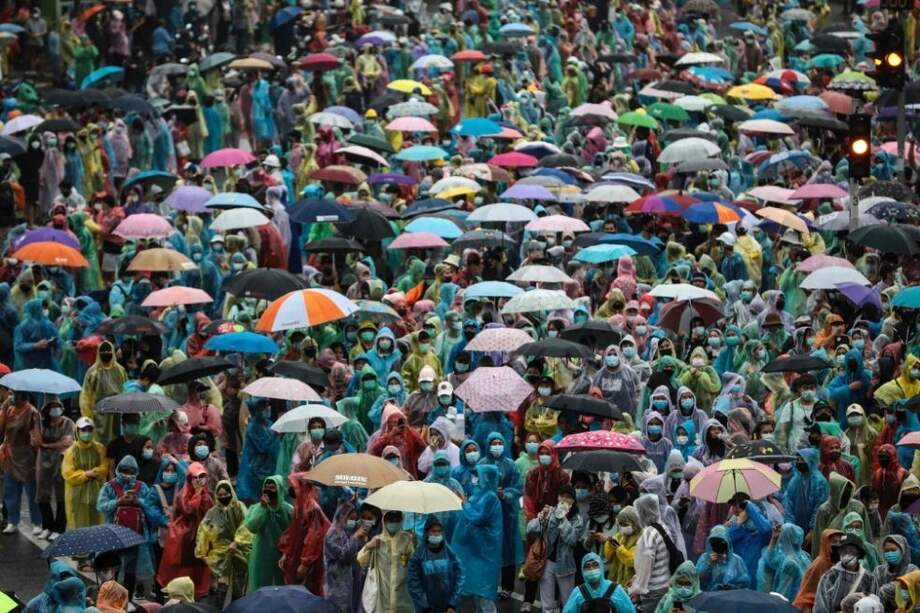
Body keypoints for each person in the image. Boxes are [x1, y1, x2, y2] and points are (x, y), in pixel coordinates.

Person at [156, 461, 213, 599]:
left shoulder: (207, 494)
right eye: (196, 477)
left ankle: (197, 595)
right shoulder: (183, 494)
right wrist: (197, 494)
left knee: (199, 569)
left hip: (201, 538)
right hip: (184, 539)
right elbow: (189, 510)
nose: (199, 481)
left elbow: (209, 511)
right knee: (184, 570)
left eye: (202, 477)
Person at [451, 464, 502, 613]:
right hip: (476, 549)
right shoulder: (477, 494)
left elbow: (478, 518)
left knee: (484, 594)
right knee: (478, 595)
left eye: (478, 476)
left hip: (486, 551)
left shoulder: (490, 497)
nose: (475, 479)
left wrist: (465, 504)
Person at [195, 480, 250, 605]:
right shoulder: (212, 513)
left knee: (238, 586)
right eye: (220, 495)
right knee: (222, 585)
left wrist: (237, 542)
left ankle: (237, 608)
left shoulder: (239, 507)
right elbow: (203, 532)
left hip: (239, 552)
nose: (223, 497)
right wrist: (201, 552)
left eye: (226, 494)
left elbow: (246, 526)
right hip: (220, 556)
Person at [0, 390, 42, 534]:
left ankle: (37, 522)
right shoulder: (9, 409)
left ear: (23, 395)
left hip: (27, 456)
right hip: (11, 455)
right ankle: (12, 521)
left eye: (15, 394)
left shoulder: (32, 412)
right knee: (10, 491)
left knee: (32, 492)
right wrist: (4, 409)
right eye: (11, 394)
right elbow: (2, 428)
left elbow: (37, 437)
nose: (12, 397)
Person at [357, 510, 416, 613]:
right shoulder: (378, 540)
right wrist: (368, 546)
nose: (393, 523)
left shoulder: (406, 539)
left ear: (401, 521)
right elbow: (361, 560)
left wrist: (414, 546)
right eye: (391, 520)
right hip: (382, 594)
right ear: (385, 521)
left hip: (402, 593)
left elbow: (412, 563)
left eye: (397, 520)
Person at [244, 474, 292, 592]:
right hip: (261, 556)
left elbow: (294, 534)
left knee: (281, 590)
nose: (268, 490)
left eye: (272, 488)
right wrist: (263, 508)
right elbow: (251, 527)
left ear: (279, 489)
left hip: (282, 557)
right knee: (260, 589)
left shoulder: (289, 510)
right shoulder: (256, 508)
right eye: (266, 487)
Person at [407, 515, 464, 613]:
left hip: (448, 607)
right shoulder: (418, 556)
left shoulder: (450, 554)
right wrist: (425, 606)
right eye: (433, 531)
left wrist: (452, 603)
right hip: (426, 608)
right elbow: (413, 582)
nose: (437, 534)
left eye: (439, 531)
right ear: (427, 532)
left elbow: (460, 576)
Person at [62, 417, 108, 531]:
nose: (87, 433)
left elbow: (105, 468)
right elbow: (68, 474)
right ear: (77, 431)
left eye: (89, 429)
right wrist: (86, 475)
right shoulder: (70, 452)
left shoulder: (100, 448)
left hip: (97, 495)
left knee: (97, 526)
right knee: (78, 527)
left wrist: (95, 472)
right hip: (76, 497)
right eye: (83, 430)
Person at [631, 494, 674, 613]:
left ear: (643, 512)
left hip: (653, 590)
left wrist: (637, 589)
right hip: (665, 585)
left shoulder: (649, 534)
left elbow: (646, 566)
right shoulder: (663, 528)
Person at [324, 500, 368, 613]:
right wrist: (355, 537)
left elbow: (356, 552)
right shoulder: (332, 534)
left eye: (354, 519)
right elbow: (343, 555)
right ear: (342, 515)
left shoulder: (345, 532)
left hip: (351, 580)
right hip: (337, 583)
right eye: (350, 519)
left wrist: (362, 541)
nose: (352, 522)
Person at [814, 534, 875, 613]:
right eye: (843, 551)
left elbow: (874, 605)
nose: (847, 555)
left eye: (851, 551)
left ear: (859, 553)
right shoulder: (829, 577)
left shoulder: (869, 578)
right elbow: (821, 608)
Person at [561, 552, 635, 613]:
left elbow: (630, 611)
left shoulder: (615, 590)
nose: (591, 569)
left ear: (601, 567)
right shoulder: (578, 592)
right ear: (582, 570)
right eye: (587, 566)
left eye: (595, 565)